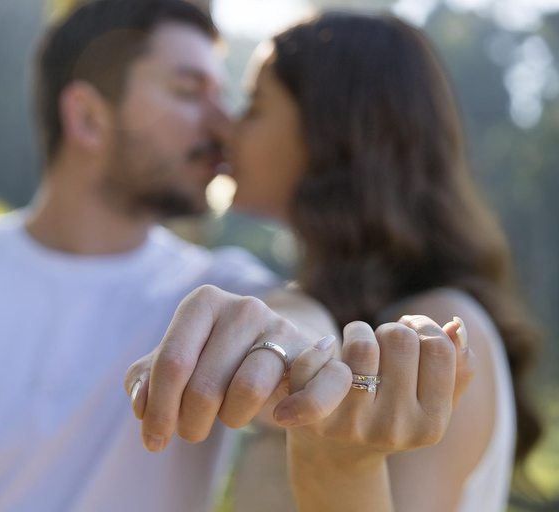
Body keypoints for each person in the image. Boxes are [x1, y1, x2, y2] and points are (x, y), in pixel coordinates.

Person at [0, 2, 396, 511]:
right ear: (86, 116)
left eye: (225, 96)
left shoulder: (223, 287)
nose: (223, 126)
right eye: (189, 92)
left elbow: (296, 322)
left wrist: (298, 344)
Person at [127, 11, 542, 512]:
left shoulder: (436, 333)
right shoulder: (329, 307)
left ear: (331, 133)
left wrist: (340, 463)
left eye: (254, 106)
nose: (228, 129)